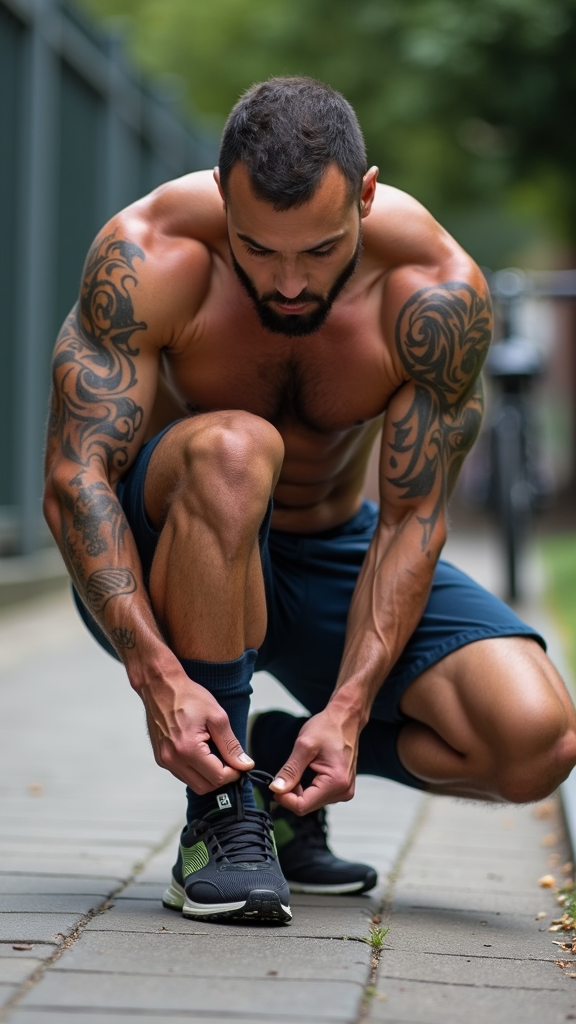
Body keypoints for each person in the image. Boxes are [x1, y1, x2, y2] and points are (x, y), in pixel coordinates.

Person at [43, 77, 576, 925]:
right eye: (259, 250)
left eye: (320, 251)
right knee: (235, 445)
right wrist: (157, 676)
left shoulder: (432, 291)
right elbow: (77, 477)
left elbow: (412, 517)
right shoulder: (150, 254)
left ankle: (281, 758)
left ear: (365, 197)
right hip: (175, 549)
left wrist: (349, 710)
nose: (289, 283)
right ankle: (219, 823)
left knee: (535, 743)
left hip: (334, 550)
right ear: (222, 197)